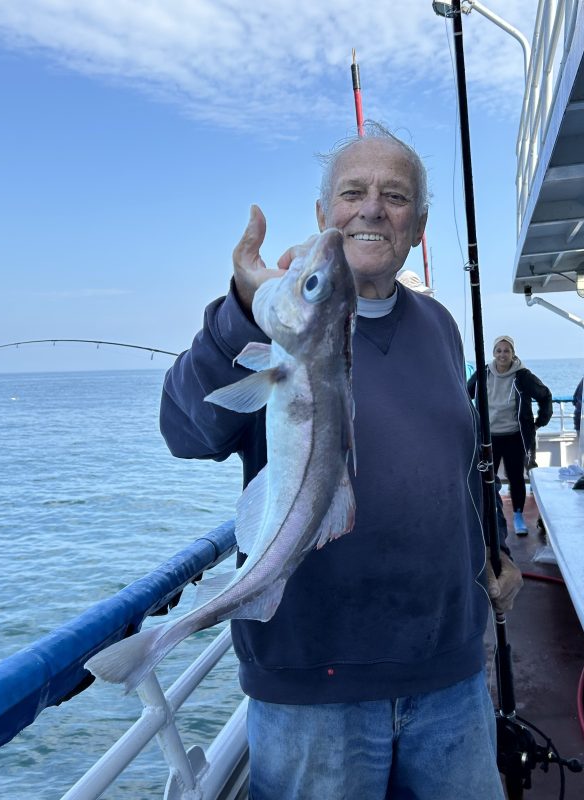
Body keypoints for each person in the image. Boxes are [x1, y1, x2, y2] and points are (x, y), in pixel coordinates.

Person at [159, 122, 522, 799]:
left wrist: (489, 558)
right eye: (352, 192)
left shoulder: (440, 326)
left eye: (396, 195)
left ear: (417, 227)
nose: (372, 207)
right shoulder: (268, 327)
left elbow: (454, 469)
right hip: (312, 696)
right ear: (325, 215)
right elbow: (187, 431)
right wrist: (242, 310)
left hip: (450, 678)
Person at [467, 336, 552, 536]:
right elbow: (465, 393)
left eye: (506, 350)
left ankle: (518, 516)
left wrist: (540, 422)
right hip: (489, 437)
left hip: (515, 436)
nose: (502, 355)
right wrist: (470, 420)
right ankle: (489, 517)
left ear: (513, 353)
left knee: (516, 478)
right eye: (499, 350)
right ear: (493, 353)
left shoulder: (523, 376)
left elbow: (545, 395)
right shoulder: (483, 373)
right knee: (487, 478)